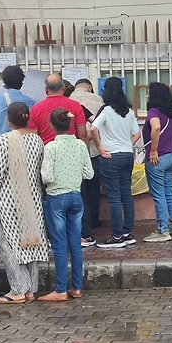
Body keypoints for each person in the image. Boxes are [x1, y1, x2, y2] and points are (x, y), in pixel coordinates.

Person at [0, 102, 50, 304]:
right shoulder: (37, 140)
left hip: (10, 198)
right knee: (30, 242)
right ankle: (30, 289)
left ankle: (17, 290)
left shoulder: (5, 139)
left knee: (7, 243)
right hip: (33, 198)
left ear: (9, 119)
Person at [39, 108, 93, 301]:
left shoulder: (51, 147)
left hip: (56, 197)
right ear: (71, 124)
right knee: (75, 243)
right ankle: (76, 287)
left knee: (60, 244)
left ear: (51, 126)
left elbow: (46, 176)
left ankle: (60, 289)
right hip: (76, 196)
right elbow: (89, 173)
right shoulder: (80, 145)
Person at [91, 77, 141, 248]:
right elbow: (137, 133)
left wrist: (100, 147)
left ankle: (117, 236)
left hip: (110, 157)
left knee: (114, 197)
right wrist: (126, 145)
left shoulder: (106, 110)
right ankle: (128, 233)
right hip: (127, 155)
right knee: (126, 195)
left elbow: (93, 128)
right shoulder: (129, 111)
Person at [142, 82, 172, 243]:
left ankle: (162, 230)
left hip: (158, 158)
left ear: (153, 96)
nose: (147, 96)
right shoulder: (171, 114)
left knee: (159, 194)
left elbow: (155, 127)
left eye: (149, 93)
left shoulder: (153, 112)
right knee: (169, 192)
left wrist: (154, 150)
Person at [70, 79, 105, 247]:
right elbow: (98, 124)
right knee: (93, 186)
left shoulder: (69, 100)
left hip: (74, 151)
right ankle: (94, 218)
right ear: (89, 87)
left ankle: (83, 224)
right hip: (94, 150)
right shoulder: (98, 99)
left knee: (81, 189)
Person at [29, 74, 88, 145]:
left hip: (46, 150)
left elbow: (34, 138)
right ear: (63, 88)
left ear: (46, 90)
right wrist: (85, 149)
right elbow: (83, 135)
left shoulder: (35, 109)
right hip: (72, 149)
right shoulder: (76, 106)